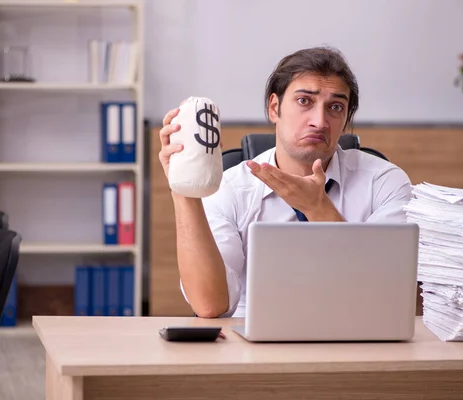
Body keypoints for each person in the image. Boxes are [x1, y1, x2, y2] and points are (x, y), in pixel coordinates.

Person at [158, 46, 413, 318]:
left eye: (335, 107)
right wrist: (183, 187)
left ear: (346, 119)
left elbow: (390, 292)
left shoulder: (385, 182)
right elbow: (210, 305)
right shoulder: (231, 188)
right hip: (253, 345)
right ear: (274, 108)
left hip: (358, 337)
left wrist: (318, 210)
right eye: (304, 101)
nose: (319, 121)